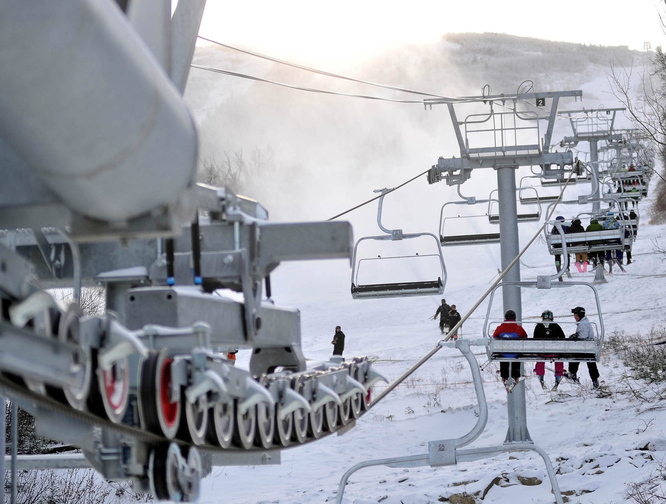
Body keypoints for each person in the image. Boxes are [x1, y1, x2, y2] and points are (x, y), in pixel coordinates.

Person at [564, 306, 601, 389]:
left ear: (580, 315)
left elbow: (582, 337)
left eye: (576, 315)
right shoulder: (584, 322)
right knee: (591, 364)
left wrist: (575, 337)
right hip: (588, 348)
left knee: (573, 356)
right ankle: (595, 380)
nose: (574, 317)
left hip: (586, 348)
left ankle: (572, 374)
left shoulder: (583, 324)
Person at [492, 310, 528, 389]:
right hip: (516, 353)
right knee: (516, 354)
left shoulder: (500, 328)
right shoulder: (518, 328)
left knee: (504, 354)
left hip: (503, 353)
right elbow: (525, 336)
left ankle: (505, 377)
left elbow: (494, 336)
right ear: (514, 318)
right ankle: (515, 376)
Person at [533, 310, 566, 390]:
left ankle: (541, 379)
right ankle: (558, 378)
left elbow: (535, 339)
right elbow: (563, 337)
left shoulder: (539, 326)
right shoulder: (556, 326)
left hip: (542, 353)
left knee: (540, 360)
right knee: (559, 360)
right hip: (555, 353)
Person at [551, 216, 569, 281]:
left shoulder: (554, 228)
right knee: (566, 255)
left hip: (556, 246)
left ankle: (557, 266)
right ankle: (567, 266)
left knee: (557, 257)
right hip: (564, 245)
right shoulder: (565, 226)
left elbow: (551, 235)